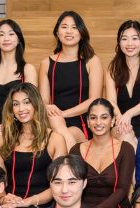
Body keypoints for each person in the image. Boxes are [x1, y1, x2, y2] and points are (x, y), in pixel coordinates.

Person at [0, 82, 69, 208]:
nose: (21, 108)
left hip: (42, 206)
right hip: (10, 205)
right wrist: (3, 198)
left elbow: (59, 185)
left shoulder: (55, 139)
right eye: (16, 104)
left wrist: (27, 202)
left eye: (26, 102)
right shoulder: (3, 140)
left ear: (36, 104)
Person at [69, 98, 135, 208]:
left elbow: (123, 189)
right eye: (93, 118)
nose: (98, 122)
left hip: (115, 207)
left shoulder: (126, 149)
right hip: (82, 207)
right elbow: (72, 186)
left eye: (104, 117)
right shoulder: (76, 150)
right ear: (87, 122)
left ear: (112, 121)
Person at [39, 11, 104, 149]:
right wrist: (51, 109)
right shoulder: (46, 63)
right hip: (53, 119)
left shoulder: (92, 61)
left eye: (74, 27)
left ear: (81, 33)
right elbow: (43, 100)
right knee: (57, 126)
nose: (69, 31)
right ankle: (78, 166)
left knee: (62, 134)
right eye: (64, 27)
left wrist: (63, 114)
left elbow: (94, 99)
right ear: (57, 32)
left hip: (81, 120)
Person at [104, 19, 140, 147]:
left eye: (135, 38)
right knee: (126, 136)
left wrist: (128, 115)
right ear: (119, 43)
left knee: (135, 142)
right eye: (124, 39)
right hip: (118, 124)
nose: (129, 43)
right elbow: (111, 101)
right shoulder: (112, 69)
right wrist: (121, 119)